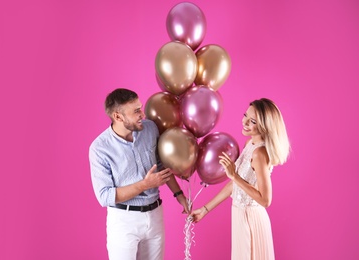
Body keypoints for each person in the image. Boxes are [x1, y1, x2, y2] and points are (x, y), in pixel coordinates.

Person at [89, 88, 189, 260]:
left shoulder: (150, 129)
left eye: (140, 108)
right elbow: (105, 196)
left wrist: (179, 195)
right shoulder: (100, 149)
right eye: (136, 111)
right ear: (118, 117)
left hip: (155, 214)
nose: (142, 114)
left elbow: (160, 165)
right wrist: (145, 184)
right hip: (124, 221)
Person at [191, 98, 290, 260]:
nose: (244, 122)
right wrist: (205, 210)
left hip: (250, 218)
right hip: (238, 214)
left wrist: (235, 176)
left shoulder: (260, 153)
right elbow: (234, 185)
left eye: (252, 121)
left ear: (264, 126)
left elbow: (265, 200)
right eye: (245, 115)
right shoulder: (249, 144)